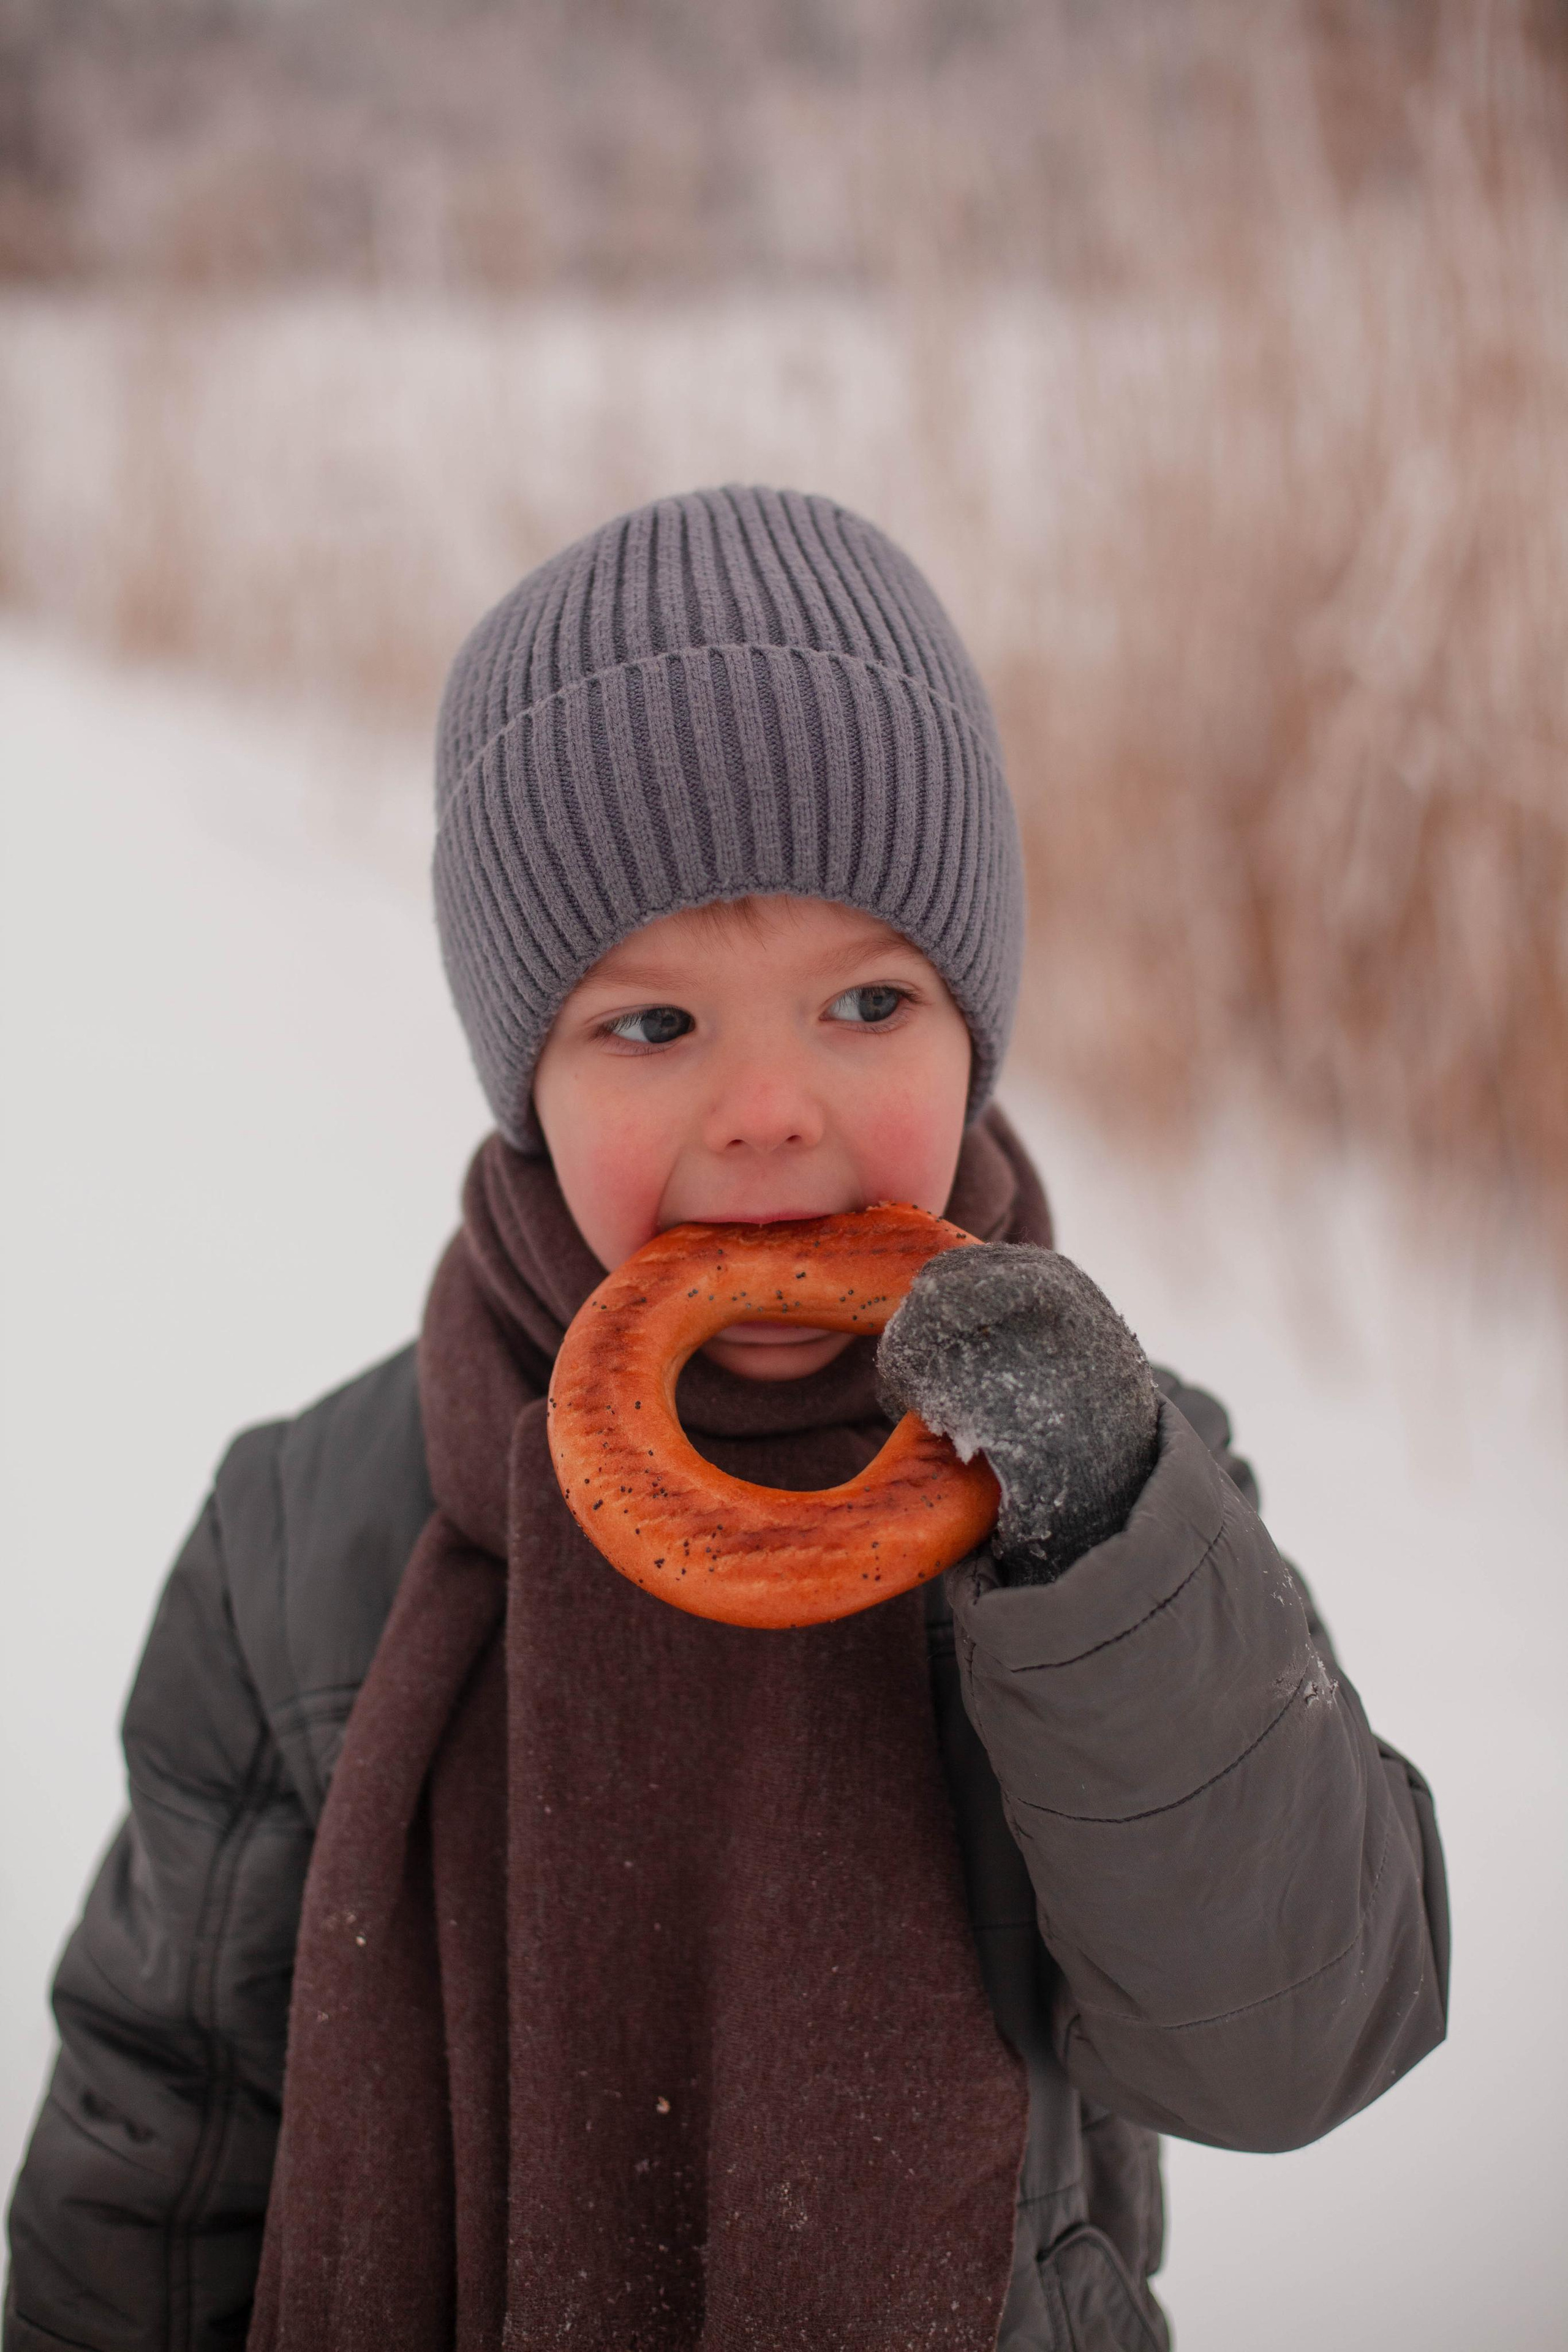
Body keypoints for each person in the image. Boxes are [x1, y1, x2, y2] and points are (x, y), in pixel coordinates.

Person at [4, 488, 1448, 2352]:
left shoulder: (1105, 1499)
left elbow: (1292, 2042)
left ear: (973, 1033)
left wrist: (1103, 1542)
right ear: (524, 1071)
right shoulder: (303, 1548)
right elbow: (161, 2141)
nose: (770, 1109)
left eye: (866, 999)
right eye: (654, 1028)